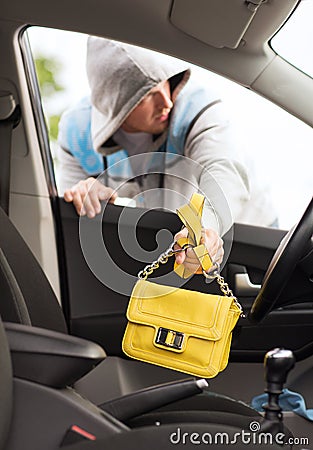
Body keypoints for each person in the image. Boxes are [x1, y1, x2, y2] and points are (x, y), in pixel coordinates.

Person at [56, 36, 276, 274]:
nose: (166, 100)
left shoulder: (197, 107)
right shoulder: (76, 133)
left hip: (253, 239)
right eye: (147, 95)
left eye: (165, 81)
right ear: (116, 102)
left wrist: (205, 229)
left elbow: (224, 172)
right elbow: (74, 221)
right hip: (176, 250)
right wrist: (87, 195)